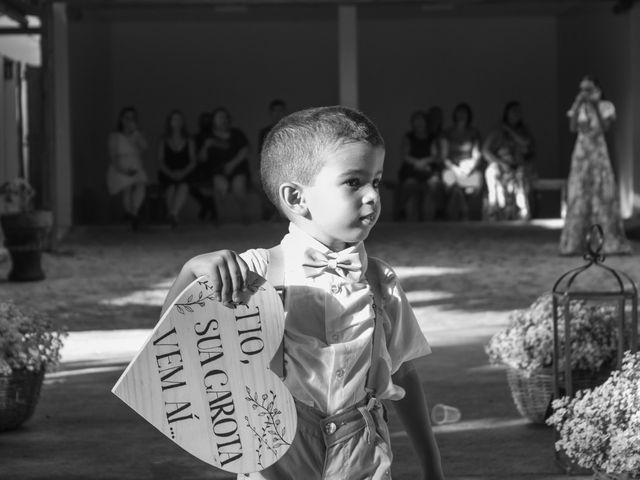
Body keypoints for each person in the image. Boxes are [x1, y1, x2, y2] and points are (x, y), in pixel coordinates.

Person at [162, 106, 445, 480]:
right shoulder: (251, 274)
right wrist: (189, 273)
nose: (373, 196)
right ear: (296, 198)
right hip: (274, 455)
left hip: (362, 456)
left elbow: (404, 373)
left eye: (375, 181)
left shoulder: (381, 281)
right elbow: (171, 351)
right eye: (353, 182)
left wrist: (433, 467)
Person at [559, 76, 631, 255]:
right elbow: (573, 128)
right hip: (582, 153)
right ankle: (577, 241)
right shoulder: (579, 106)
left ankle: (605, 240)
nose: (585, 93)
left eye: (588, 89)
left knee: (601, 192)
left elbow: (604, 127)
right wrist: (578, 107)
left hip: (598, 153)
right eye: (582, 89)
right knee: (580, 193)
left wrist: (594, 105)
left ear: (597, 89)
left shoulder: (606, 106)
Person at [482, 101, 535, 220]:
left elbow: (526, 143)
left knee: (521, 177)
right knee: (491, 172)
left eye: (519, 112)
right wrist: (501, 163)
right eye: (513, 111)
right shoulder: (497, 130)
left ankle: (523, 210)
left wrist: (510, 130)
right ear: (507, 113)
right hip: (501, 165)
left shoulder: (523, 130)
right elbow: (485, 150)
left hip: (518, 166)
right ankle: (494, 207)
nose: (517, 114)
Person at [199, 107, 252, 222]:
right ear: (213, 120)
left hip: (237, 169)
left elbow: (245, 150)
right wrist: (205, 147)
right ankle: (222, 217)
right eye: (219, 117)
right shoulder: (207, 136)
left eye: (224, 117)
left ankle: (245, 214)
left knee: (238, 186)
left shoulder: (237, 133)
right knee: (221, 185)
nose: (222, 120)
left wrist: (232, 164)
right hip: (217, 171)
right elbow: (201, 159)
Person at [395, 110, 445, 221]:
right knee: (409, 184)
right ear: (412, 123)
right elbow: (404, 155)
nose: (419, 123)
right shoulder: (409, 136)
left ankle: (440, 211)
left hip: (428, 168)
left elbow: (435, 155)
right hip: (411, 169)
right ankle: (400, 211)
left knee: (435, 183)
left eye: (421, 120)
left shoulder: (432, 137)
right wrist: (417, 163)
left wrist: (424, 162)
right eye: (416, 120)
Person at [107, 106, 149, 230]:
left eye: (132, 118)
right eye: (127, 118)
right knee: (128, 187)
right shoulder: (114, 136)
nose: (129, 120)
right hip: (120, 167)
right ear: (121, 119)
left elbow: (145, 148)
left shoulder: (138, 135)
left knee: (141, 184)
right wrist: (122, 170)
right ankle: (128, 211)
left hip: (136, 166)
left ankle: (134, 212)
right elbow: (113, 156)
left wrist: (135, 133)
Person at [441, 103, 483, 220]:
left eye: (464, 113)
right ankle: (463, 212)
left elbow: (477, 154)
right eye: (459, 113)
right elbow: (444, 157)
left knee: (470, 185)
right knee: (452, 183)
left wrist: (469, 168)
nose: (461, 116)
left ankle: (455, 213)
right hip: (451, 169)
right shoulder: (447, 133)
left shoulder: (474, 132)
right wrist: (455, 169)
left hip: (469, 169)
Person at [157, 110, 196, 228]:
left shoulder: (189, 140)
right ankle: (172, 215)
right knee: (171, 186)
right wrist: (170, 173)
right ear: (169, 122)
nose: (177, 122)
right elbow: (160, 161)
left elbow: (193, 161)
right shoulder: (163, 140)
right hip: (167, 172)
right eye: (174, 119)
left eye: (179, 119)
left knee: (184, 185)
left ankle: (173, 213)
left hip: (185, 172)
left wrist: (182, 172)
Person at [258, 99, 288, 221]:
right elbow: (261, 154)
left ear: (284, 112)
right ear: (271, 113)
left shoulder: (291, 130)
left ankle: (283, 214)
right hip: (270, 166)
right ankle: (271, 211)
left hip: (288, 166)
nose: (278, 113)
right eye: (275, 111)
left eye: (280, 111)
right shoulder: (264, 132)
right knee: (257, 179)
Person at [190, 112, 217, 221]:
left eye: (208, 121)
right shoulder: (196, 138)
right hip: (200, 169)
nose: (206, 123)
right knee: (190, 184)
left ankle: (209, 208)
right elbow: (198, 158)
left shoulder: (217, 136)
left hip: (215, 168)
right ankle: (208, 207)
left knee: (206, 184)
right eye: (204, 121)